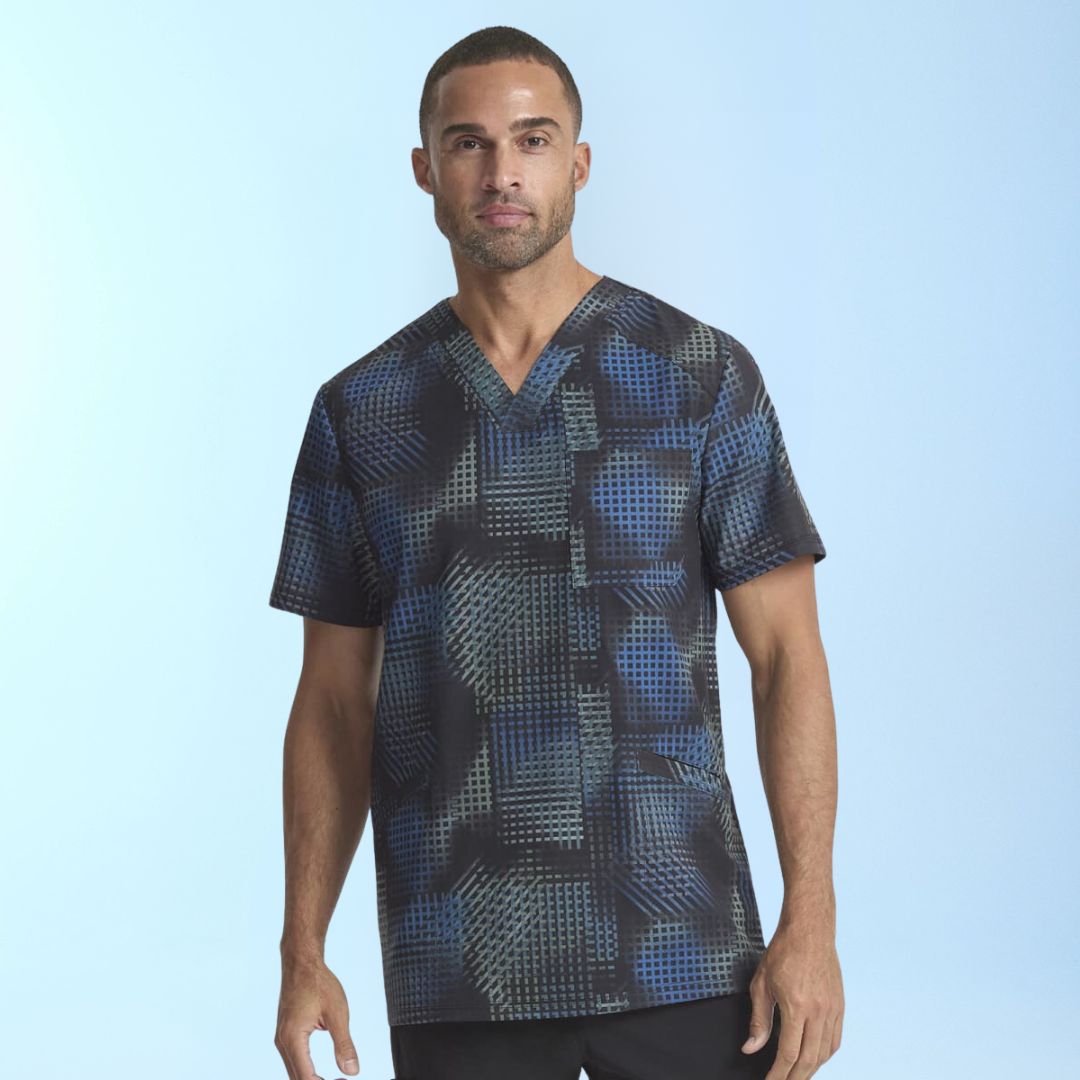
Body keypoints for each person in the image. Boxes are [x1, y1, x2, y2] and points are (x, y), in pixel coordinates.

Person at [268, 24, 843, 1080]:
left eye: (532, 140)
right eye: (470, 143)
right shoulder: (364, 412)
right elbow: (334, 701)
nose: (503, 173)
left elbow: (787, 660)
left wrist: (812, 920)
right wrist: (303, 948)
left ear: (577, 163)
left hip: (682, 944)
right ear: (425, 170)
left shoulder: (699, 376)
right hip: (456, 954)